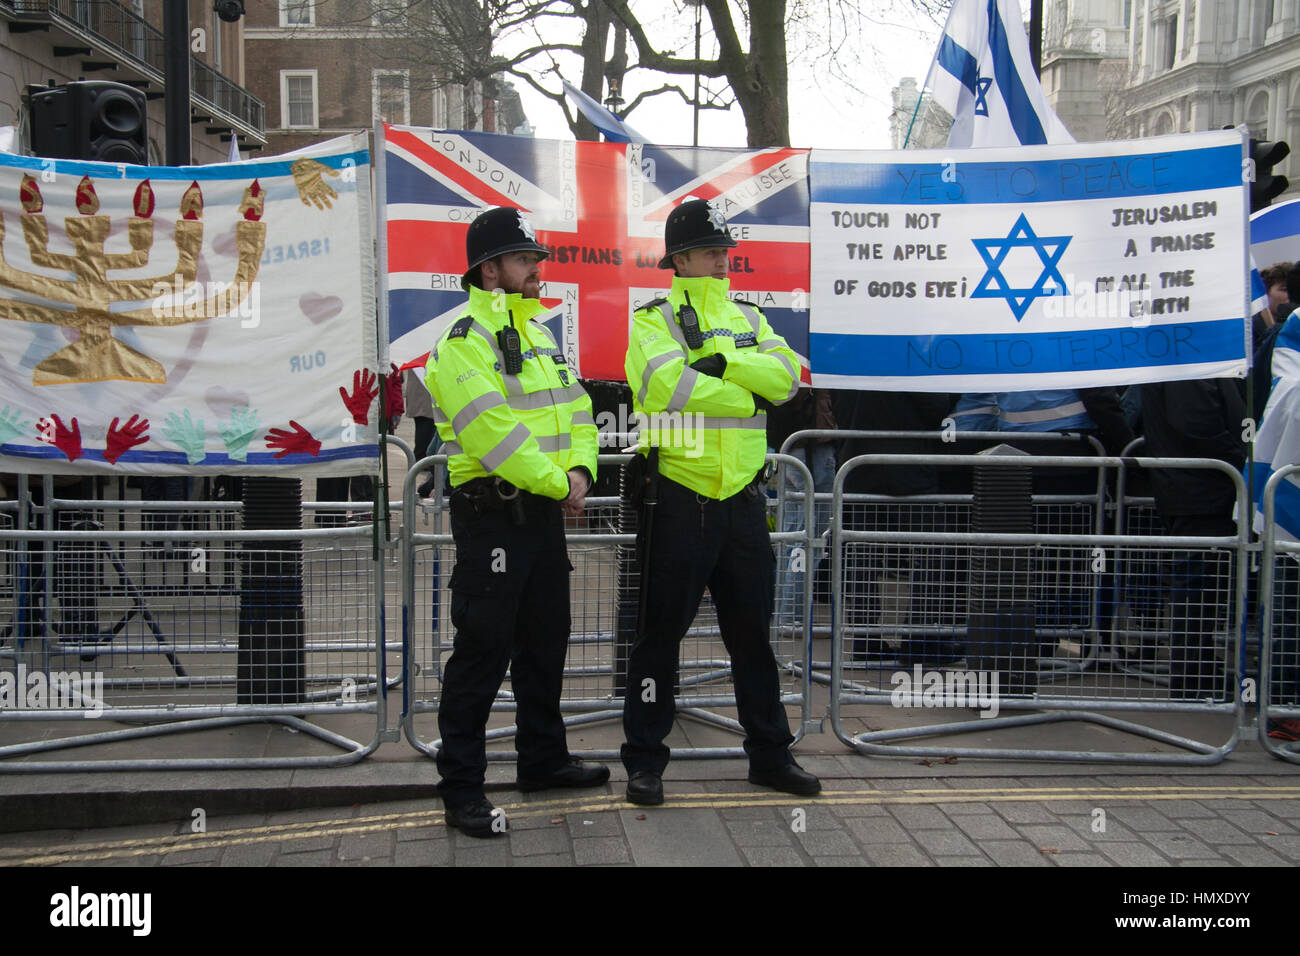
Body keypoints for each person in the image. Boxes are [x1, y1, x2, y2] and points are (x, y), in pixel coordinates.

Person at [621, 197, 820, 806]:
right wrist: (744, 393)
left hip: (740, 502)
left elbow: (788, 380)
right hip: (678, 497)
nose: (721, 260)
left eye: (723, 251)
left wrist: (727, 361)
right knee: (660, 637)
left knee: (752, 639)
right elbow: (667, 387)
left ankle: (769, 754)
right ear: (680, 257)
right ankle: (645, 761)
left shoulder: (749, 319)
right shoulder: (651, 321)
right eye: (711, 251)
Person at [424, 206, 608, 837]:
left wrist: (581, 473)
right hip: (494, 519)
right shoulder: (460, 343)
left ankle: (542, 760)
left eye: (534, 258)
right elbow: (491, 432)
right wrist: (563, 484)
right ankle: (462, 789)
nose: (536, 268)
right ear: (490, 268)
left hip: (543, 518)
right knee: (482, 651)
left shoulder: (538, 336)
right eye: (525, 259)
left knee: (545, 644)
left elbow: (579, 408)